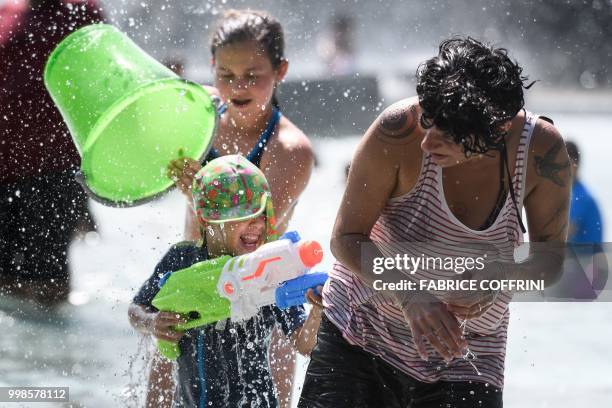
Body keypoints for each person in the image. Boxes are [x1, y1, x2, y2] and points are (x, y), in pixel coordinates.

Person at [299, 37, 571, 407]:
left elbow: (551, 260)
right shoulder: (397, 131)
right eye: (429, 119)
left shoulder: (541, 151)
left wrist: (501, 275)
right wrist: (410, 294)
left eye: (447, 132)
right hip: (360, 335)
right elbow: (345, 238)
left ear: (499, 128)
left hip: (470, 358)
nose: (427, 142)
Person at [166, 9, 314, 407]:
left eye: (253, 74)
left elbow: (255, 229)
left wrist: (198, 189)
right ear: (212, 68)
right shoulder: (200, 113)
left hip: (264, 301)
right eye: (226, 75)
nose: (238, 85)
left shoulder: (289, 149)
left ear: (280, 70)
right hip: (192, 288)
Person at [129, 155, 323, 408]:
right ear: (208, 219)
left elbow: (304, 343)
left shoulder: (270, 269)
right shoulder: (182, 259)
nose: (255, 226)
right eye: (243, 215)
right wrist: (152, 322)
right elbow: (136, 310)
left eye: (261, 215)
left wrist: (318, 310)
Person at [0, 0, 104, 306]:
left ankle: (59, 354)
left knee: (49, 285)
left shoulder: (82, 11)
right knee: (5, 282)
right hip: (4, 172)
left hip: (55, 172)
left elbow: (106, 78)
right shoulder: (4, 11)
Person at [565, 141, 603, 243]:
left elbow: (562, 233)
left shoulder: (581, 198)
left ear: (574, 164)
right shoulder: (575, 192)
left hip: (585, 257)